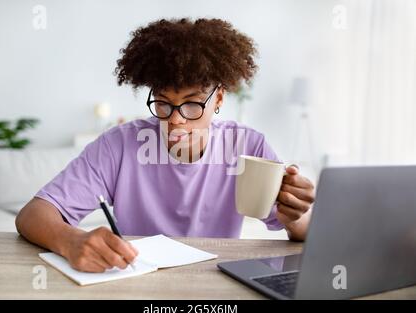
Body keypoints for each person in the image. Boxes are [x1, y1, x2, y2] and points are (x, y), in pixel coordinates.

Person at [16, 18, 315, 273]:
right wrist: (70, 240)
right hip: (138, 278)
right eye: (163, 103)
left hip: (218, 282)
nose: (176, 121)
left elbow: (303, 233)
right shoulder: (118, 145)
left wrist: (295, 216)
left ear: (219, 98)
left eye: (193, 104)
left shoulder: (248, 145)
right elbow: (32, 215)